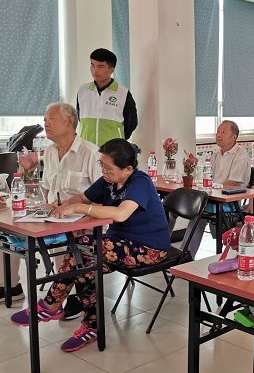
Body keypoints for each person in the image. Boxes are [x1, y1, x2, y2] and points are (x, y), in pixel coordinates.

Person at [10, 139, 170, 352]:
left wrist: (78, 208)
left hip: (148, 248)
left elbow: (121, 214)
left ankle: (51, 304)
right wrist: (60, 206)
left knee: (84, 249)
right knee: (83, 263)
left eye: (108, 167)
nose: (103, 170)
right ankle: (91, 326)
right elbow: (82, 197)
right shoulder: (108, 181)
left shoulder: (140, 182)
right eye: (101, 164)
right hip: (117, 246)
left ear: (128, 169)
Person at [1, 103, 101, 307]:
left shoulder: (90, 153)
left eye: (51, 119)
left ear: (69, 121)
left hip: (81, 221)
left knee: (67, 243)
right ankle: (10, 287)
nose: (45, 123)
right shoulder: (49, 152)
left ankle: (75, 297)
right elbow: (45, 191)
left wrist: (75, 208)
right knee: (9, 232)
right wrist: (28, 173)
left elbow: (104, 195)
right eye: (45, 119)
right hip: (53, 216)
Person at [187, 120, 251, 256]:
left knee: (198, 211)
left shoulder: (241, 155)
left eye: (223, 132)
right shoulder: (216, 153)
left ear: (234, 137)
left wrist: (211, 188)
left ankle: (186, 255)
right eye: (218, 132)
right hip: (213, 198)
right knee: (190, 210)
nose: (219, 135)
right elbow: (209, 177)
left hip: (230, 202)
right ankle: (185, 255)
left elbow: (233, 183)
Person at [76, 48, 137, 147]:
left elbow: (132, 122)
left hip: (113, 151)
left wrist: (119, 139)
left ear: (111, 70)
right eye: (92, 65)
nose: (95, 70)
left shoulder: (123, 93)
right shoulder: (83, 90)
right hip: (87, 149)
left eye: (100, 66)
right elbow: (79, 117)